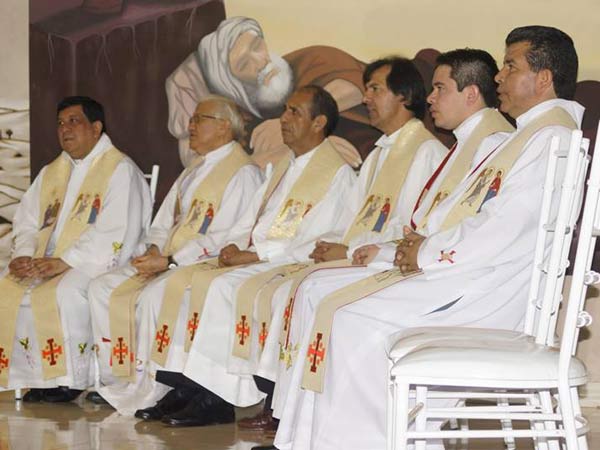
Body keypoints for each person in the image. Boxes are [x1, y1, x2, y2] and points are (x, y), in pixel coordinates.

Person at [271, 26, 583, 450]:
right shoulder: (533, 134)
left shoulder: (551, 137)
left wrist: (426, 252)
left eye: (511, 66)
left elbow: (503, 227)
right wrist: (413, 250)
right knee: (331, 302)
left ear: (543, 78)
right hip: (478, 276)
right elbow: (475, 220)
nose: (499, 76)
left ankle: (371, 442)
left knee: (350, 318)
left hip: (491, 292)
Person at [108, 85, 356, 423]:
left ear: (319, 122)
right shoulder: (286, 166)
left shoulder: (337, 174)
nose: (283, 119)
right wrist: (236, 246)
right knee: (188, 282)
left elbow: (315, 238)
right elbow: (251, 220)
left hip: (288, 262)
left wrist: (253, 255)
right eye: (284, 110)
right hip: (259, 257)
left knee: (221, 288)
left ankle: (216, 397)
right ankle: (185, 385)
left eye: (294, 112)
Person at [235, 57, 454, 432]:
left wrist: (347, 251)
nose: (366, 98)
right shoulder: (379, 153)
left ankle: (301, 409)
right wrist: (333, 244)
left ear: (404, 96)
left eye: (375, 89)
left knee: (300, 290)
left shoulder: (425, 152)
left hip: (385, 264)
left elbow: (408, 227)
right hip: (357, 257)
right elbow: (354, 219)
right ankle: (285, 405)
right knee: (294, 287)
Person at [87, 95, 263, 407]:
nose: (190, 126)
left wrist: (170, 261)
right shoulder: (195, 168)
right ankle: (118, 380)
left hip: (206, 263)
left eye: (199, 119)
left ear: (224, 127)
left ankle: (156, 387)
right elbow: (165, 220)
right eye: (192, 119)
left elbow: (226, 237)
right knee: (102, 287)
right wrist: (155, 249)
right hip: (168, 259)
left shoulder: (243, 173)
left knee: (156, 296)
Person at [0, 96, 152, 402]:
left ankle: (70, 381)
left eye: (73, 121)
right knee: (7, 286)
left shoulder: (120, 170)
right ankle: (37, 378)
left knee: (66, 291)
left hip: (98, 262)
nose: (65, 129)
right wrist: (23, 256)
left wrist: (66, 261)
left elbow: (116, 231)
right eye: (60, 123)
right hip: (48, 260)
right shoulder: (52, 172)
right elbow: (27, 221)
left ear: (96, 128)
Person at [166, 16, 377, 169]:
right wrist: (301, 148)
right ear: (236, 86)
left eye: (256, 45)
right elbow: (225, 169)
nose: (260, 61)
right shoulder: (246, 122)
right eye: (244, 64)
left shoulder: (305, 60)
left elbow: (355, 88)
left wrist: (289, 123)